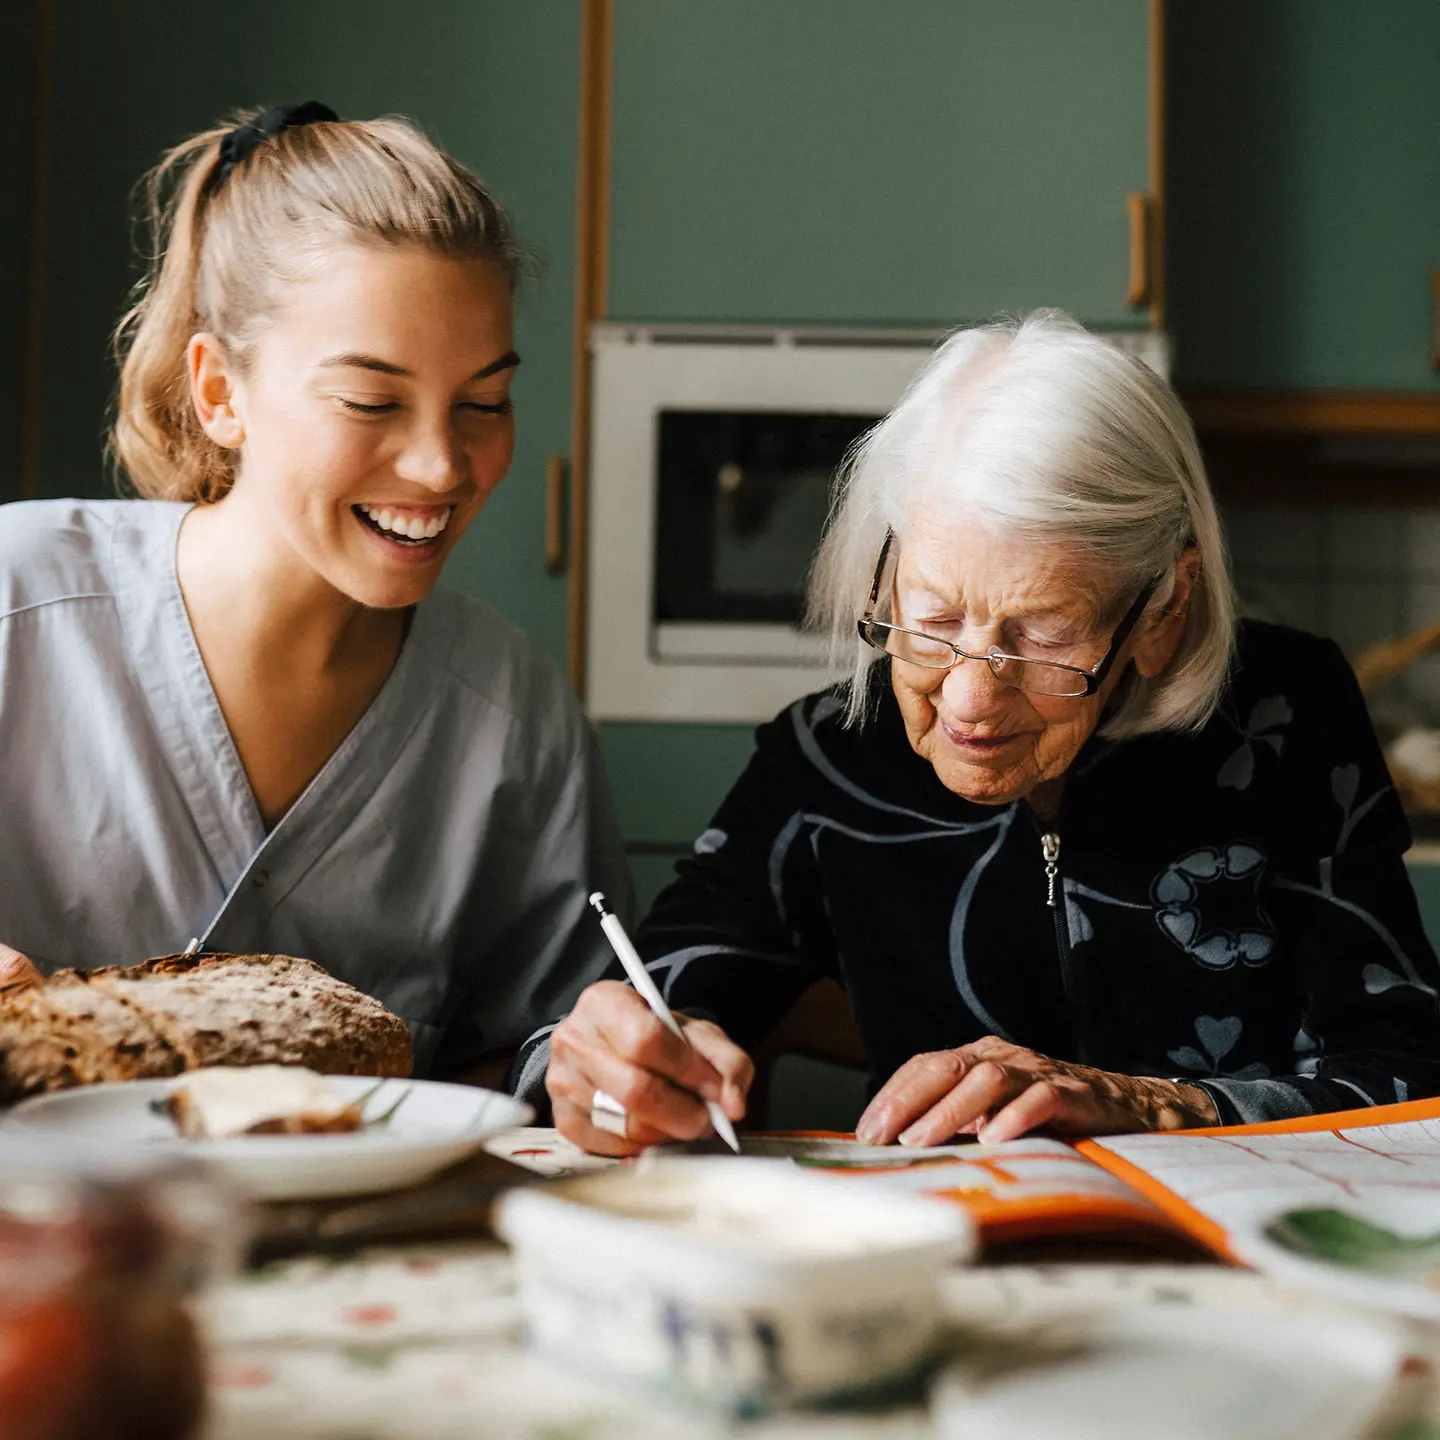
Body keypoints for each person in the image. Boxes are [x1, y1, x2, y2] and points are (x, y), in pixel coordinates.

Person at [536, 310, 1440, 1153]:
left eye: (1044, 638)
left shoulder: (1289, 716)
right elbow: (639, 1002)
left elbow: (1411, 1070)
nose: (968, 701)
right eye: (930, 620)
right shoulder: (827, 761)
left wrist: (1154, 1105)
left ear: (1164, 608)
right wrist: (598, 1069)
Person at [0, 103, 631, 1080]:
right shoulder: (15, 603)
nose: (440, 466)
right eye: (371, 401)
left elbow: (540, 1057)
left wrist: (603, 1077)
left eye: (485, 403)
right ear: (220, 393)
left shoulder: (515, 716)